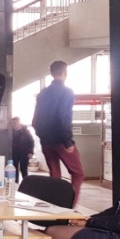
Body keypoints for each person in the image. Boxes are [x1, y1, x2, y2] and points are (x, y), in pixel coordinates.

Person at [33, 60, 84, 205]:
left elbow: (35, 120)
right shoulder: (67, 92)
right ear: (64, 73)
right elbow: (63, 117)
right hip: (61, 140)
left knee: (55, 174)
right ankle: (69, 206)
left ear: (51, 73)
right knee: (78, 173)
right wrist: (68, 141)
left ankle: (55, 205)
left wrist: (43, 136)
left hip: (46, 141)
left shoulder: (42, 93)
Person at [12, 116, 35, 184]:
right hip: (14, 152)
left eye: (15, 122)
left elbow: (31, 141)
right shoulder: (11, 131)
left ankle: (25, 184)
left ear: (19, 122)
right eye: (13, 123)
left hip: (24, 152)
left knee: (24, 168)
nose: (14, 124)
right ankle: (15, 183)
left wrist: (31, 152)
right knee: (14, 169)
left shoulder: (26, 131)